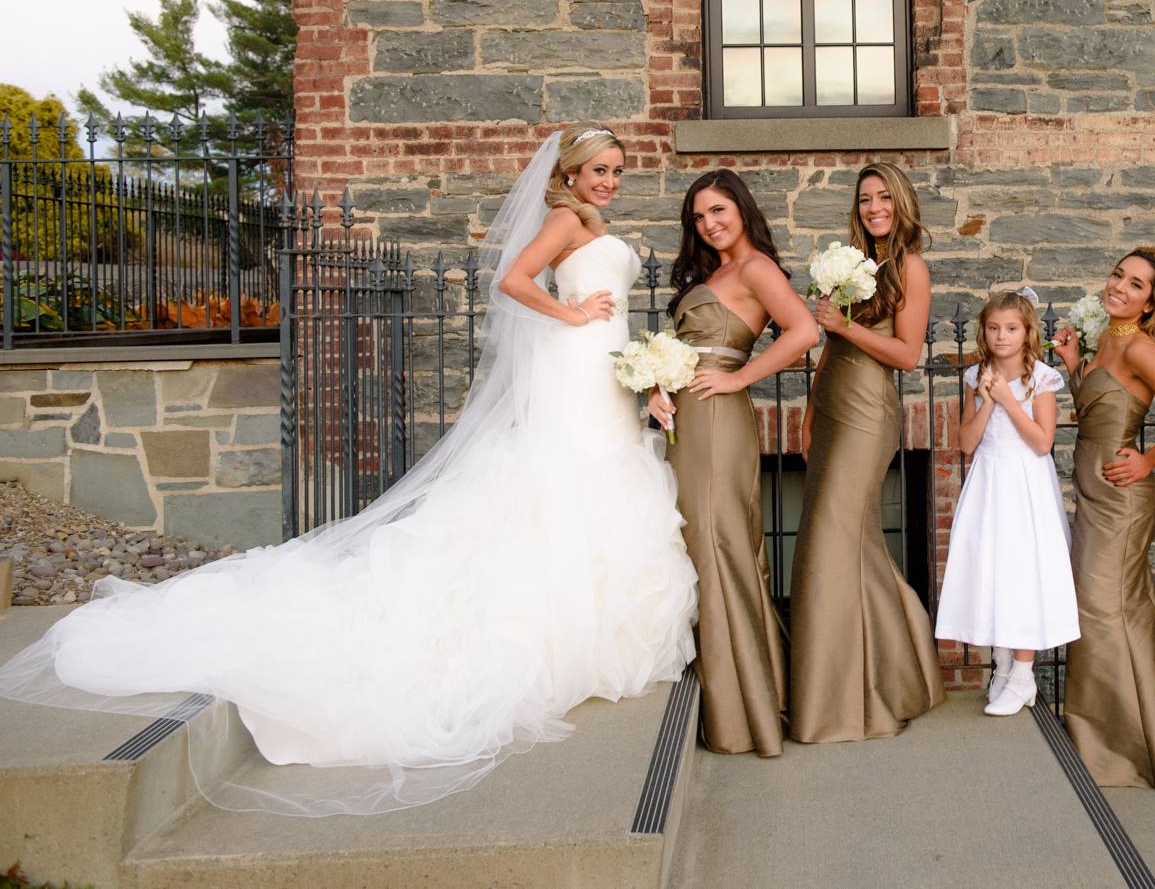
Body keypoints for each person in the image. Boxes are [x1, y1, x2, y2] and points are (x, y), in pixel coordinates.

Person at [0, 127, 699, 815]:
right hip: (571, 369)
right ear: (569, 174)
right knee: (564, 484)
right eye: (597, 169)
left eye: (615, 169)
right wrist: (569, 312)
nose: (608, 179)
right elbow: (510, 280)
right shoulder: (562, 218)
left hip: (601, 373)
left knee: (597, 484)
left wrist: (643, 373)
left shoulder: (592, 220)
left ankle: (592, 624)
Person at [651, 169, 818, 756]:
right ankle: (733, 695)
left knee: (719, 546)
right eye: (699, 217)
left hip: (720, 421)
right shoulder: (713, 273)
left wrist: (742, 375)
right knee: (699, 543)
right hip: (689, 420)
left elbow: (804, 330)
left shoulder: (755, 269)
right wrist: (657, 383)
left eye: (719, 210)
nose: (709, 223)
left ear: (742, 209)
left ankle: (744, 709)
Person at [789, 162, 943, 743]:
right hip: (831, 405)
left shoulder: (910, 268)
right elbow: (829, 346)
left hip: (867, 412)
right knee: (849, 543)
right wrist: (807, 414)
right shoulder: (854, 264)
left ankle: (852, 694)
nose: (874, 207)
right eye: (865, 199)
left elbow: (907, 355)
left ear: (901, 203)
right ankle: (901, 671)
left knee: (836, 536)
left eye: (884, 197)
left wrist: (844, 326)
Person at [1053, 250, 1155, 791]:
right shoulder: (1108, 338)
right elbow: (1096, 409)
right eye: (1119, 275)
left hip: (1123, 499)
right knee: (1121, 611)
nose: (1120, 286)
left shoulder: (1141, 346)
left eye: (1135, 283)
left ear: (1150, 302)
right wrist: (1076, 363)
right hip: (1094, 495)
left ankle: (1114, 752)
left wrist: (1148, 459)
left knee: (1097, 610)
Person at [935, 288, 1077, 718]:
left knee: (1024, 572)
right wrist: (984, 400)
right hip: (988, 481)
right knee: (991, 569)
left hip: (1025, 482)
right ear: (983, 331)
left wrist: (1009, 402)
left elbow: (1041, 443)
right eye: (994, 328)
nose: (1001, 336)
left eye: (1011, 328)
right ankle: (1001, 666)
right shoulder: (975, 376)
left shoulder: (1043, 379)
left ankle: (1023, 675)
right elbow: (965, 443)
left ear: (1026, 331)